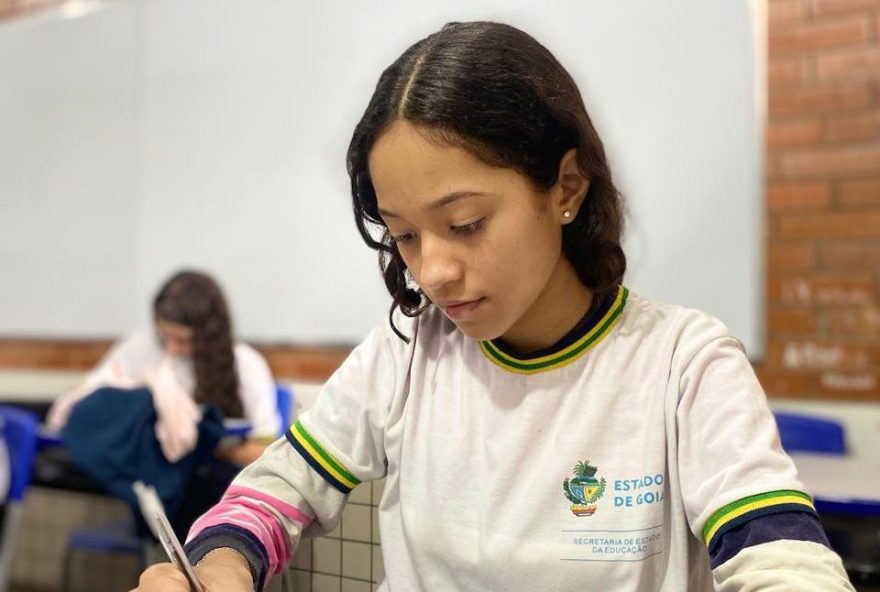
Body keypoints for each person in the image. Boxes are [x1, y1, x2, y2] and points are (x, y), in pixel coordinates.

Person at [134, 22, 854, 592]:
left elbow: (778, 553)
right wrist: (223, 564)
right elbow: (280, 486)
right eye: (407, 236)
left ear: (566, 188)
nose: (435, 272)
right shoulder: (409, 353)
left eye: (468, 223)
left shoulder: (682, 364)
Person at [48, 269, 280, 467]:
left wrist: (214, 451)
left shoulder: (246, 364)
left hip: (214, 478)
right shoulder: (144, 344)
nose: (171, 348)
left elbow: (264, 451)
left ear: (209, 334)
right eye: (164, 336)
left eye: (183, 340)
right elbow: (93, 389)